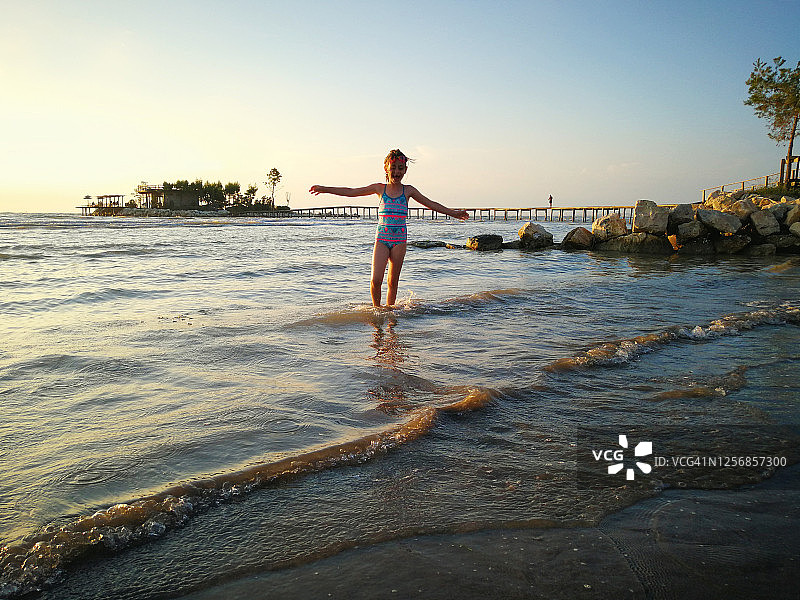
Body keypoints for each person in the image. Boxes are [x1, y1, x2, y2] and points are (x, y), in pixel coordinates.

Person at [310, 149, 469, 307]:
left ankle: (390, 315)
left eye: (400, 168)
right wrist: (325, 189)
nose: (396, 172)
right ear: (386, 168)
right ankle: (377, 311)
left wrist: (453, 213)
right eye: (393, 168)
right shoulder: (380, 189)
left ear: (405, 170)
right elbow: (351, 192)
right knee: (376, 280)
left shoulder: (408, 190)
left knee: (392, 282)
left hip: (399, 241)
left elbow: (431, 204)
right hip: (382, 240)